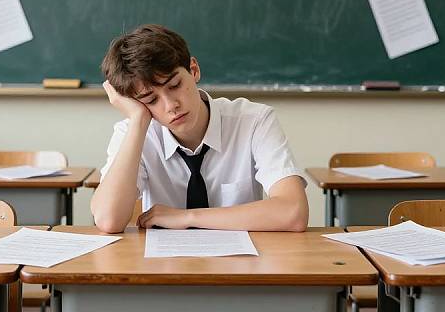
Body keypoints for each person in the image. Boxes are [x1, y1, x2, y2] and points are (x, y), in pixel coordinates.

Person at [91, 24, 308, 233]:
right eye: (151, 99)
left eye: (174, 86)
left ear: (193, 70)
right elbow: (108, 220)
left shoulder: (254, 121)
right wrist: (138, 119)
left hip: (241, 265)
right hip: (162, 268)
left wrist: (188, 217)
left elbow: (293, 211)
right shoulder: (133, 132)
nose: (171, 106)